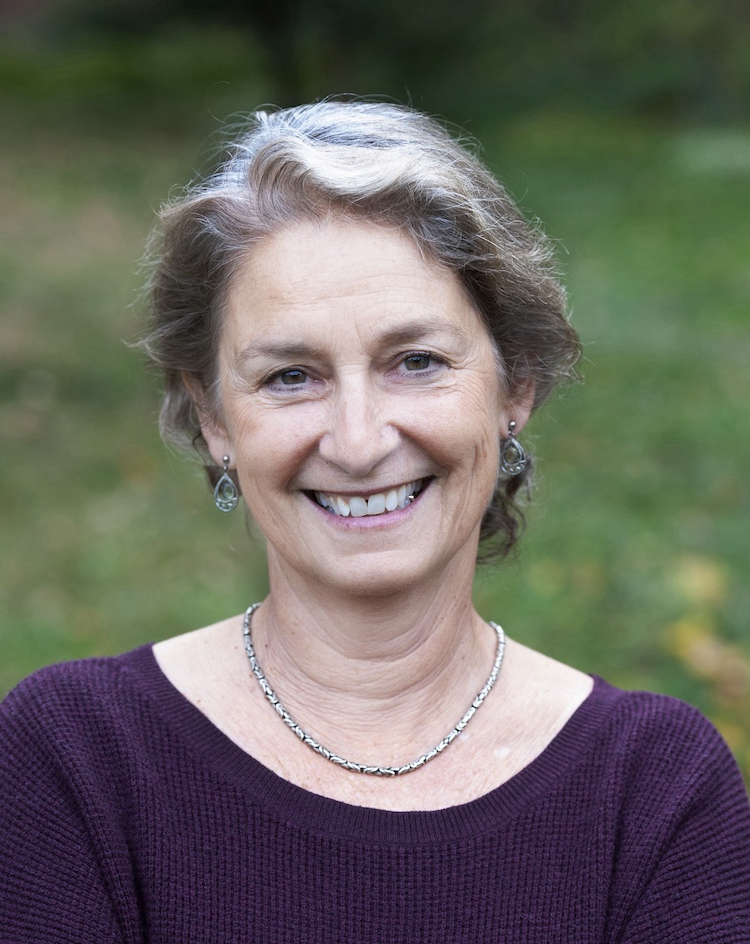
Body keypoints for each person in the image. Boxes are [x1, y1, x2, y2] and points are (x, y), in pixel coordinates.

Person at [1, 100, 748, 943]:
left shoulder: (652, 790)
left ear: (515, 385)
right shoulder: (77, 759)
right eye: (291, 376)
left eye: (416, 362)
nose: (358, 442)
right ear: (213, 417)